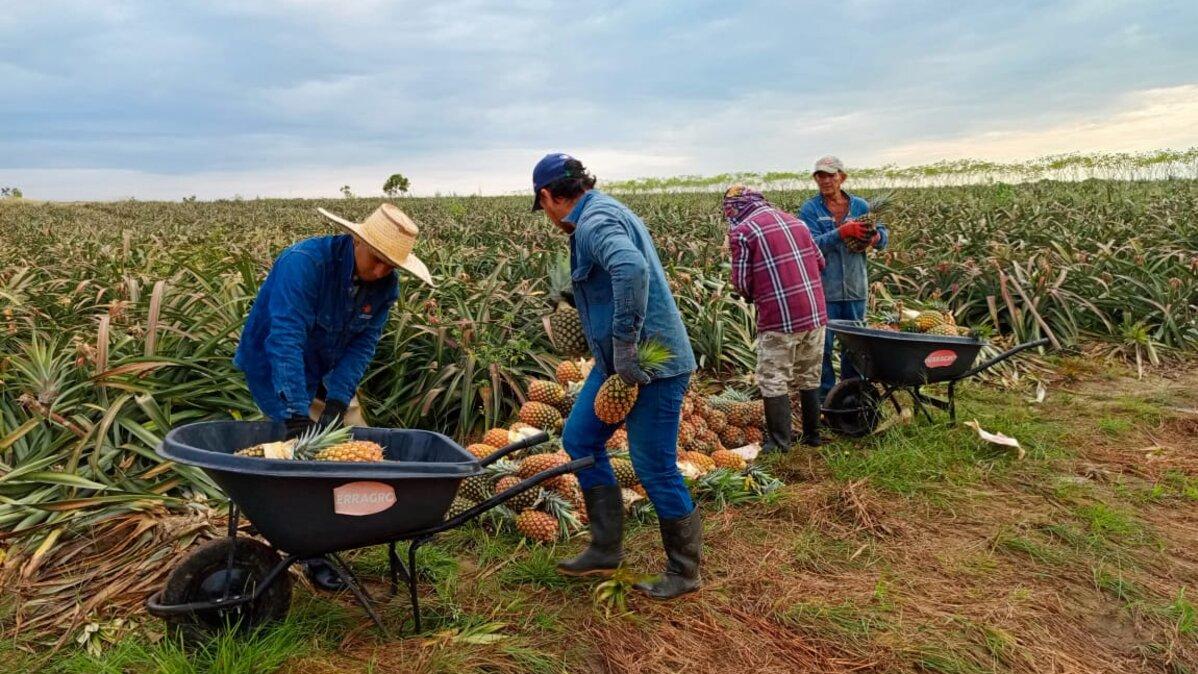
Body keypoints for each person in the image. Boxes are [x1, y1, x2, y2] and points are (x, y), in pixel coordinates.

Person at [233, 203, 433, 589]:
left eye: (391, 265)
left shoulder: (385, 283)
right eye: (377, 260)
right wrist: (295, 413)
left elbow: (364, 344)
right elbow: (285, 338)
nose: (381, 271)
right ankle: (312, 552)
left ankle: (357, 527)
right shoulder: (304, 263)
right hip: (276, 368)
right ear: (357, 239)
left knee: (358, 446)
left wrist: (339, 400)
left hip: (329, 365)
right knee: (297, 463)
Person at [532, 153, 701, 599]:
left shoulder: (593, 222)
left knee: (654, 465)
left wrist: (625, 345)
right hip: (617, 367)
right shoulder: (602, 210)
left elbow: (631, 268)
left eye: (543, 205)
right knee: (580, 438)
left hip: (652, 365)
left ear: (548, 196)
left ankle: (684, 571)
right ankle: (606, 547)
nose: (547, 216)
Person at [724, 185, 826, 450]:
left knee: (773, 377)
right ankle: (813, 435)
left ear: (734, 207)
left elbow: (742, 284)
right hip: (814, 311)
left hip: (780, 316)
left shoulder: (743, 231)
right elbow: (820, 262)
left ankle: (780, 442)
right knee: (810, 374)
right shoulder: (797, 222)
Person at [798, 156, 889, 400]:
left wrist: (876, 238)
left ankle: (850, 397)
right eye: (820, 175)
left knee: (855, 348)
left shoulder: (860, 206)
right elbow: (810, 246)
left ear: (842, 177)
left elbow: (882, 234)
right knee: (823, 348)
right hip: (825, 291)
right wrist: (842, 232)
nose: (825, 180)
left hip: (856, 289)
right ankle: (826, 399)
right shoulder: (810, 209)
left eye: (831, 174)